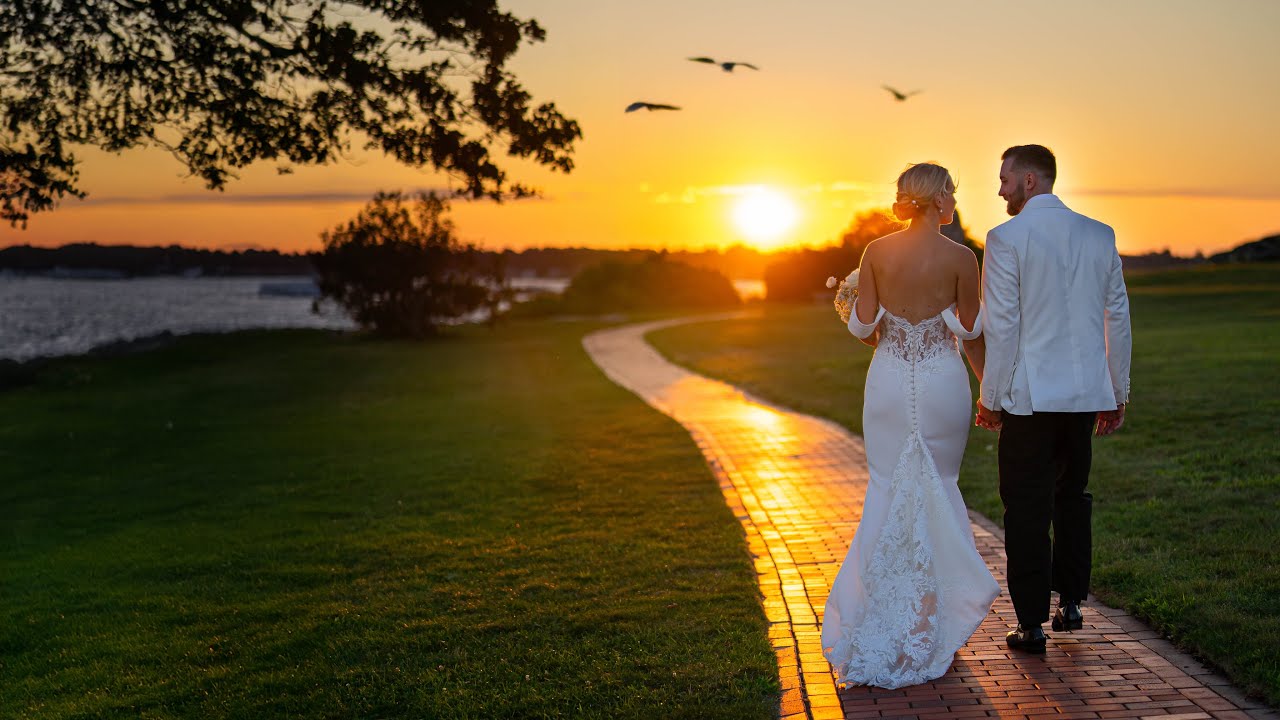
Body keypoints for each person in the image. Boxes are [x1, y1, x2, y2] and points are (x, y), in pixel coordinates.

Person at [822, 162, 999, 689]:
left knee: (886, 489)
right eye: (952, 193)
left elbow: (865, 329)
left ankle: (879, 619)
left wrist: (849, 303)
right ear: (942, 198)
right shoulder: (963, 258)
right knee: (939, 488)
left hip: (890, 384)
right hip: (943, 382)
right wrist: (989, 390)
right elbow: (970, 330)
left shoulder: (876, 253)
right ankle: (930, 624)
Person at [977, 144, 1131, 654]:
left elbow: (1002, 326)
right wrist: (1117, 391)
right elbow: (1117, 319)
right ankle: (1070, 605)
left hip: (1030, 398)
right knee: (1072, 499)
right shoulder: (1099, 234)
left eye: (1004, 179)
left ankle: (1030, 624)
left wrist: (991, 397)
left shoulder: (1005, 239)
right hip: (1085, 395)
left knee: (1025, 508)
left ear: (1029, 180)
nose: (999, 189)